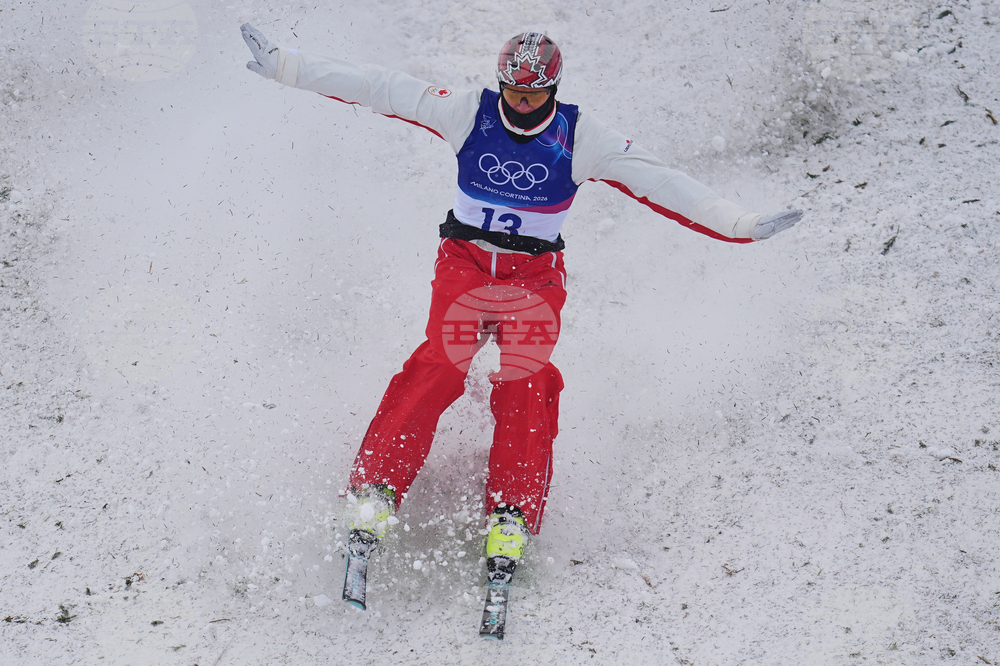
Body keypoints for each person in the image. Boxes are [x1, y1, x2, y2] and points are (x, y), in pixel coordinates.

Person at [240, 25, 801, 571]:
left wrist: (741, 224)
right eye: (513, 91)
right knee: (441, 362)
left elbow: (663, 182)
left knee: (526, 376)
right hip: (465, 266)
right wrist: (288, 66)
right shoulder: (470, 112)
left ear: (553, 88)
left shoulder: (582, 137)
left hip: (532, 278)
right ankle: (376, 489)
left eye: (533, 94)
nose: (522, 103)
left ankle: (511, 511)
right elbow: (382, 87)